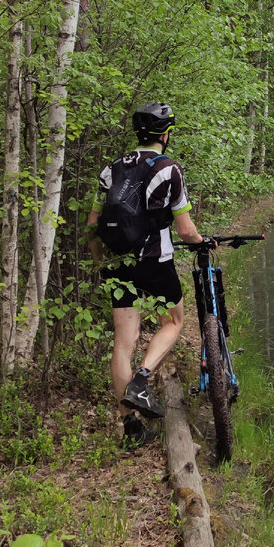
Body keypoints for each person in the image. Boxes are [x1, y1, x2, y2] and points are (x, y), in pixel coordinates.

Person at [86, 101, 213, 449]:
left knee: (123, 341)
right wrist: (202, 241)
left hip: (117, 264)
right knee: (172, 321)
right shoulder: (168, 169)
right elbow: (186, 230)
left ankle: (130, 427)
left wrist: (101, 264)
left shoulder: (111, 169)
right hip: (154, 261)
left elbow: (92, 226)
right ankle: (142, 382)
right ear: (165, 134)